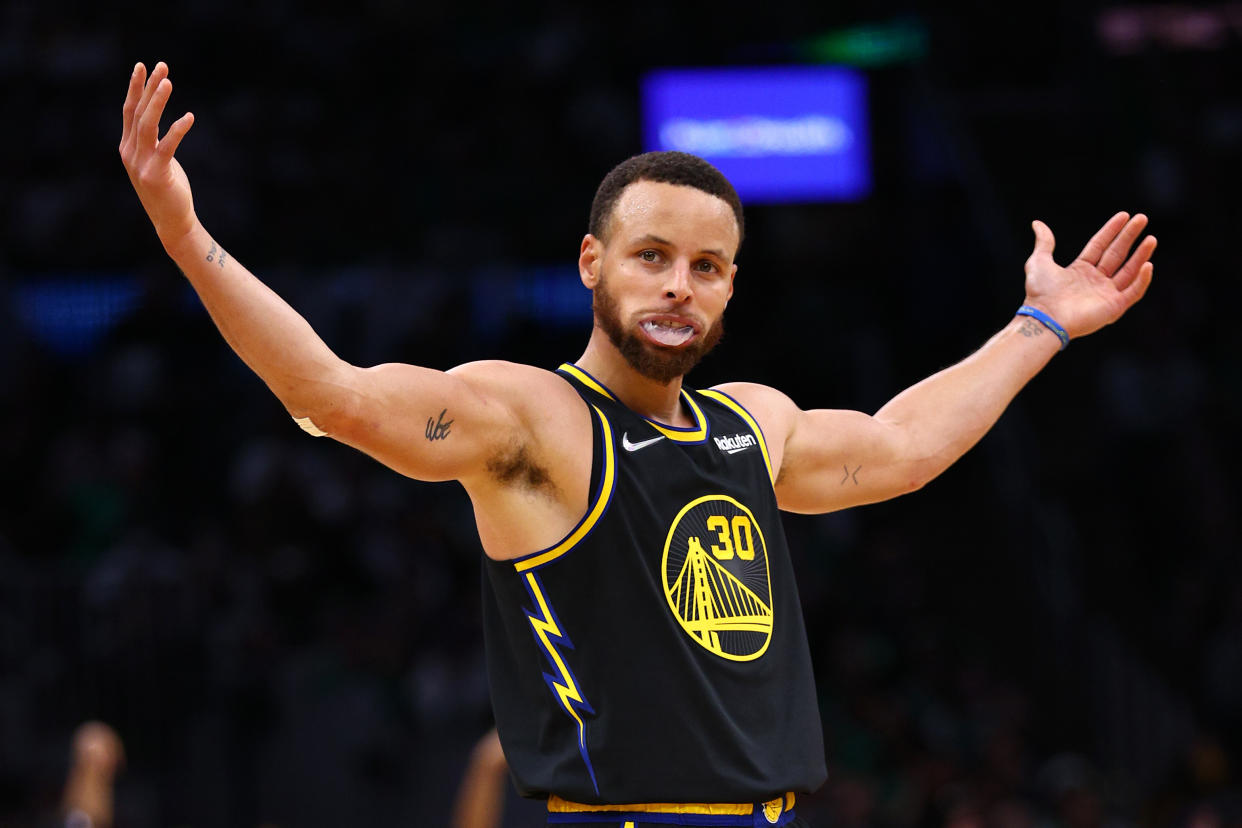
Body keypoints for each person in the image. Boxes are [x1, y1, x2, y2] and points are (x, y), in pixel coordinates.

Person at [119, 61, 1155, 828]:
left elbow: (903, 444)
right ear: (589, 263)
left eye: (707, 266)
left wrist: (1040, 327)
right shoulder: (528, 423)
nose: (678, 285)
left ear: (732, 287)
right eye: (651, 256)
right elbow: (330, 395)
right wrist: (185, 237)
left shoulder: (753, 421)